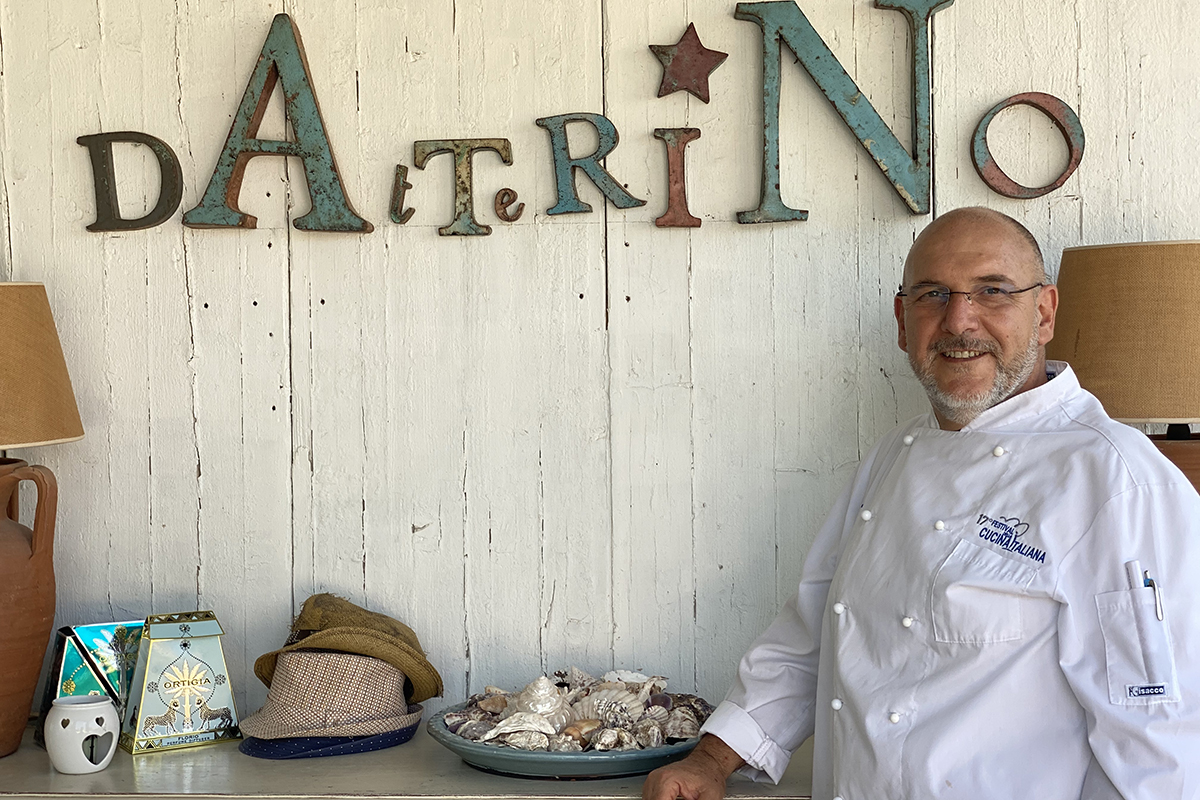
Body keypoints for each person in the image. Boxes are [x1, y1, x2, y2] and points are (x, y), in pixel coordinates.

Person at [643, 207, 1200, 800]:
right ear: (903, 322)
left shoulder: (1115, 479)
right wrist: (710, 760)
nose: (960, 321)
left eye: (993, 291)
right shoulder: (892, 458)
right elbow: (811, 639)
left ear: (1044, 313)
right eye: (933, 294)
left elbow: (1155, 734)